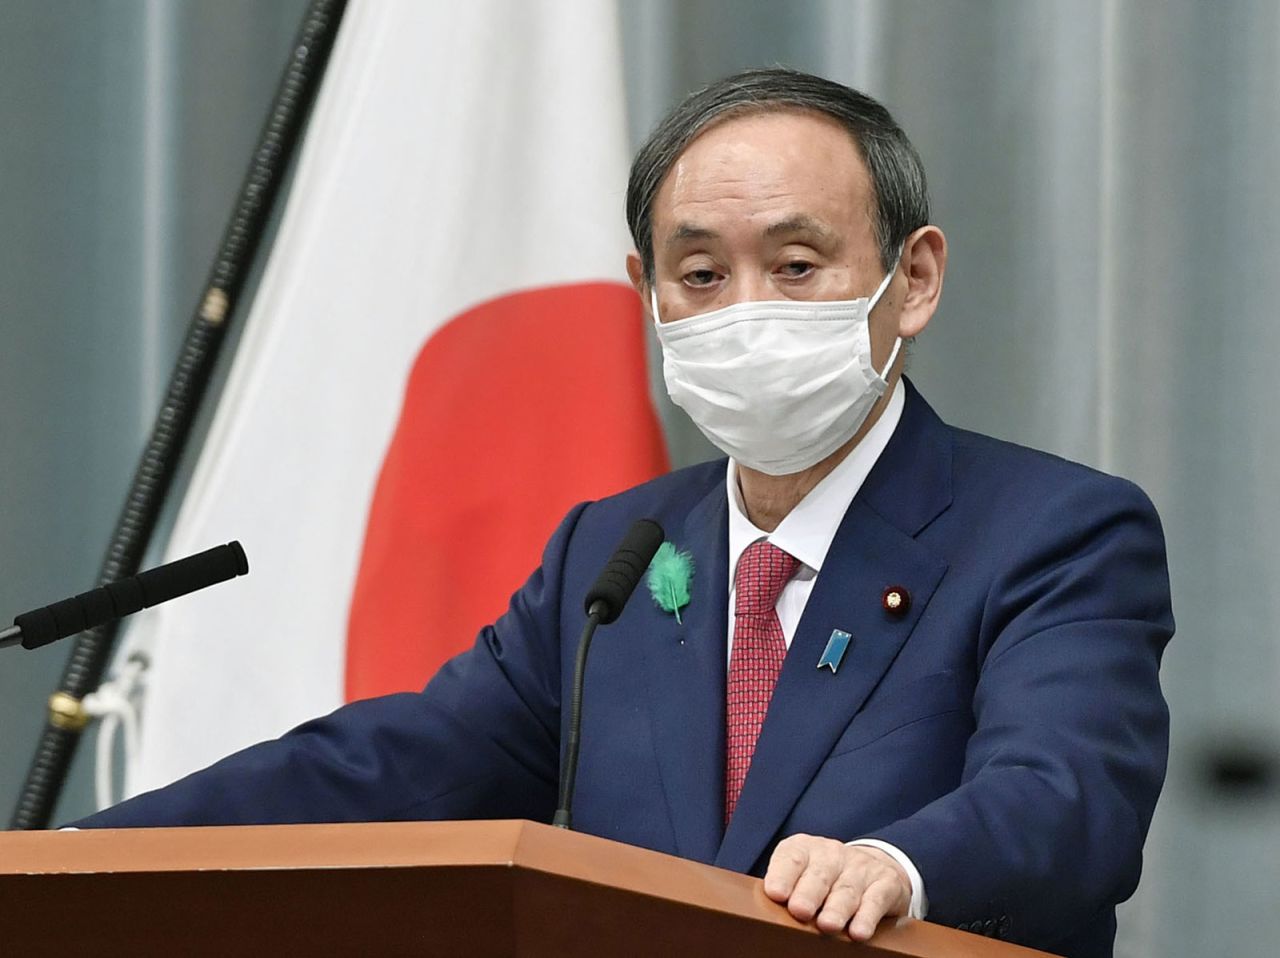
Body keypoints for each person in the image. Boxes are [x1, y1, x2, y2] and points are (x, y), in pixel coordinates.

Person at [74, 69, 1173, 958]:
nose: (744, 309)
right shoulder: (616, 551)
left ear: (912, 278)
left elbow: (1062, 798)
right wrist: (80, 858)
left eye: (794, 266)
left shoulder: (1053, 532)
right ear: (646, 291)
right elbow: (393, 764)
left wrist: (897, 865)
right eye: (699, 275)